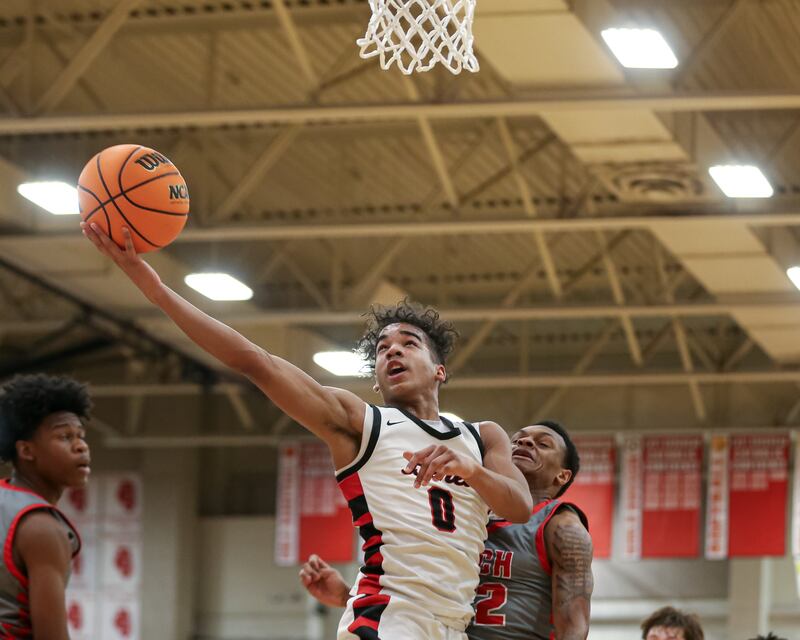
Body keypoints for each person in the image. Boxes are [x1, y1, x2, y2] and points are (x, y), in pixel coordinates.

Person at [81, 223, 532, 640]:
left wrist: (470, 470)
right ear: (376, 379)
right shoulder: (362, 423)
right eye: (382, 349)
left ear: (439, 370)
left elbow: (520, 506)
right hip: (390, 619)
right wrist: (155, 289)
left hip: (452, 625)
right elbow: (254, 362)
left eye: (408, 344)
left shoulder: (481, 437)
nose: (392, 350)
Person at [300, 421, 594, 639]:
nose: (525, 444)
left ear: (562, 475)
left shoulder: (561, 525)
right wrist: (345, 596)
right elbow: (422, 589)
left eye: (542, 443)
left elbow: (574, 624)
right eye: (519, 439)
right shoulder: (467, 513)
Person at [0, 373, 92, 640]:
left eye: (81, 435)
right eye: (65, 437)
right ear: (27, 451)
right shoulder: (42, 528)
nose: (81, 446)